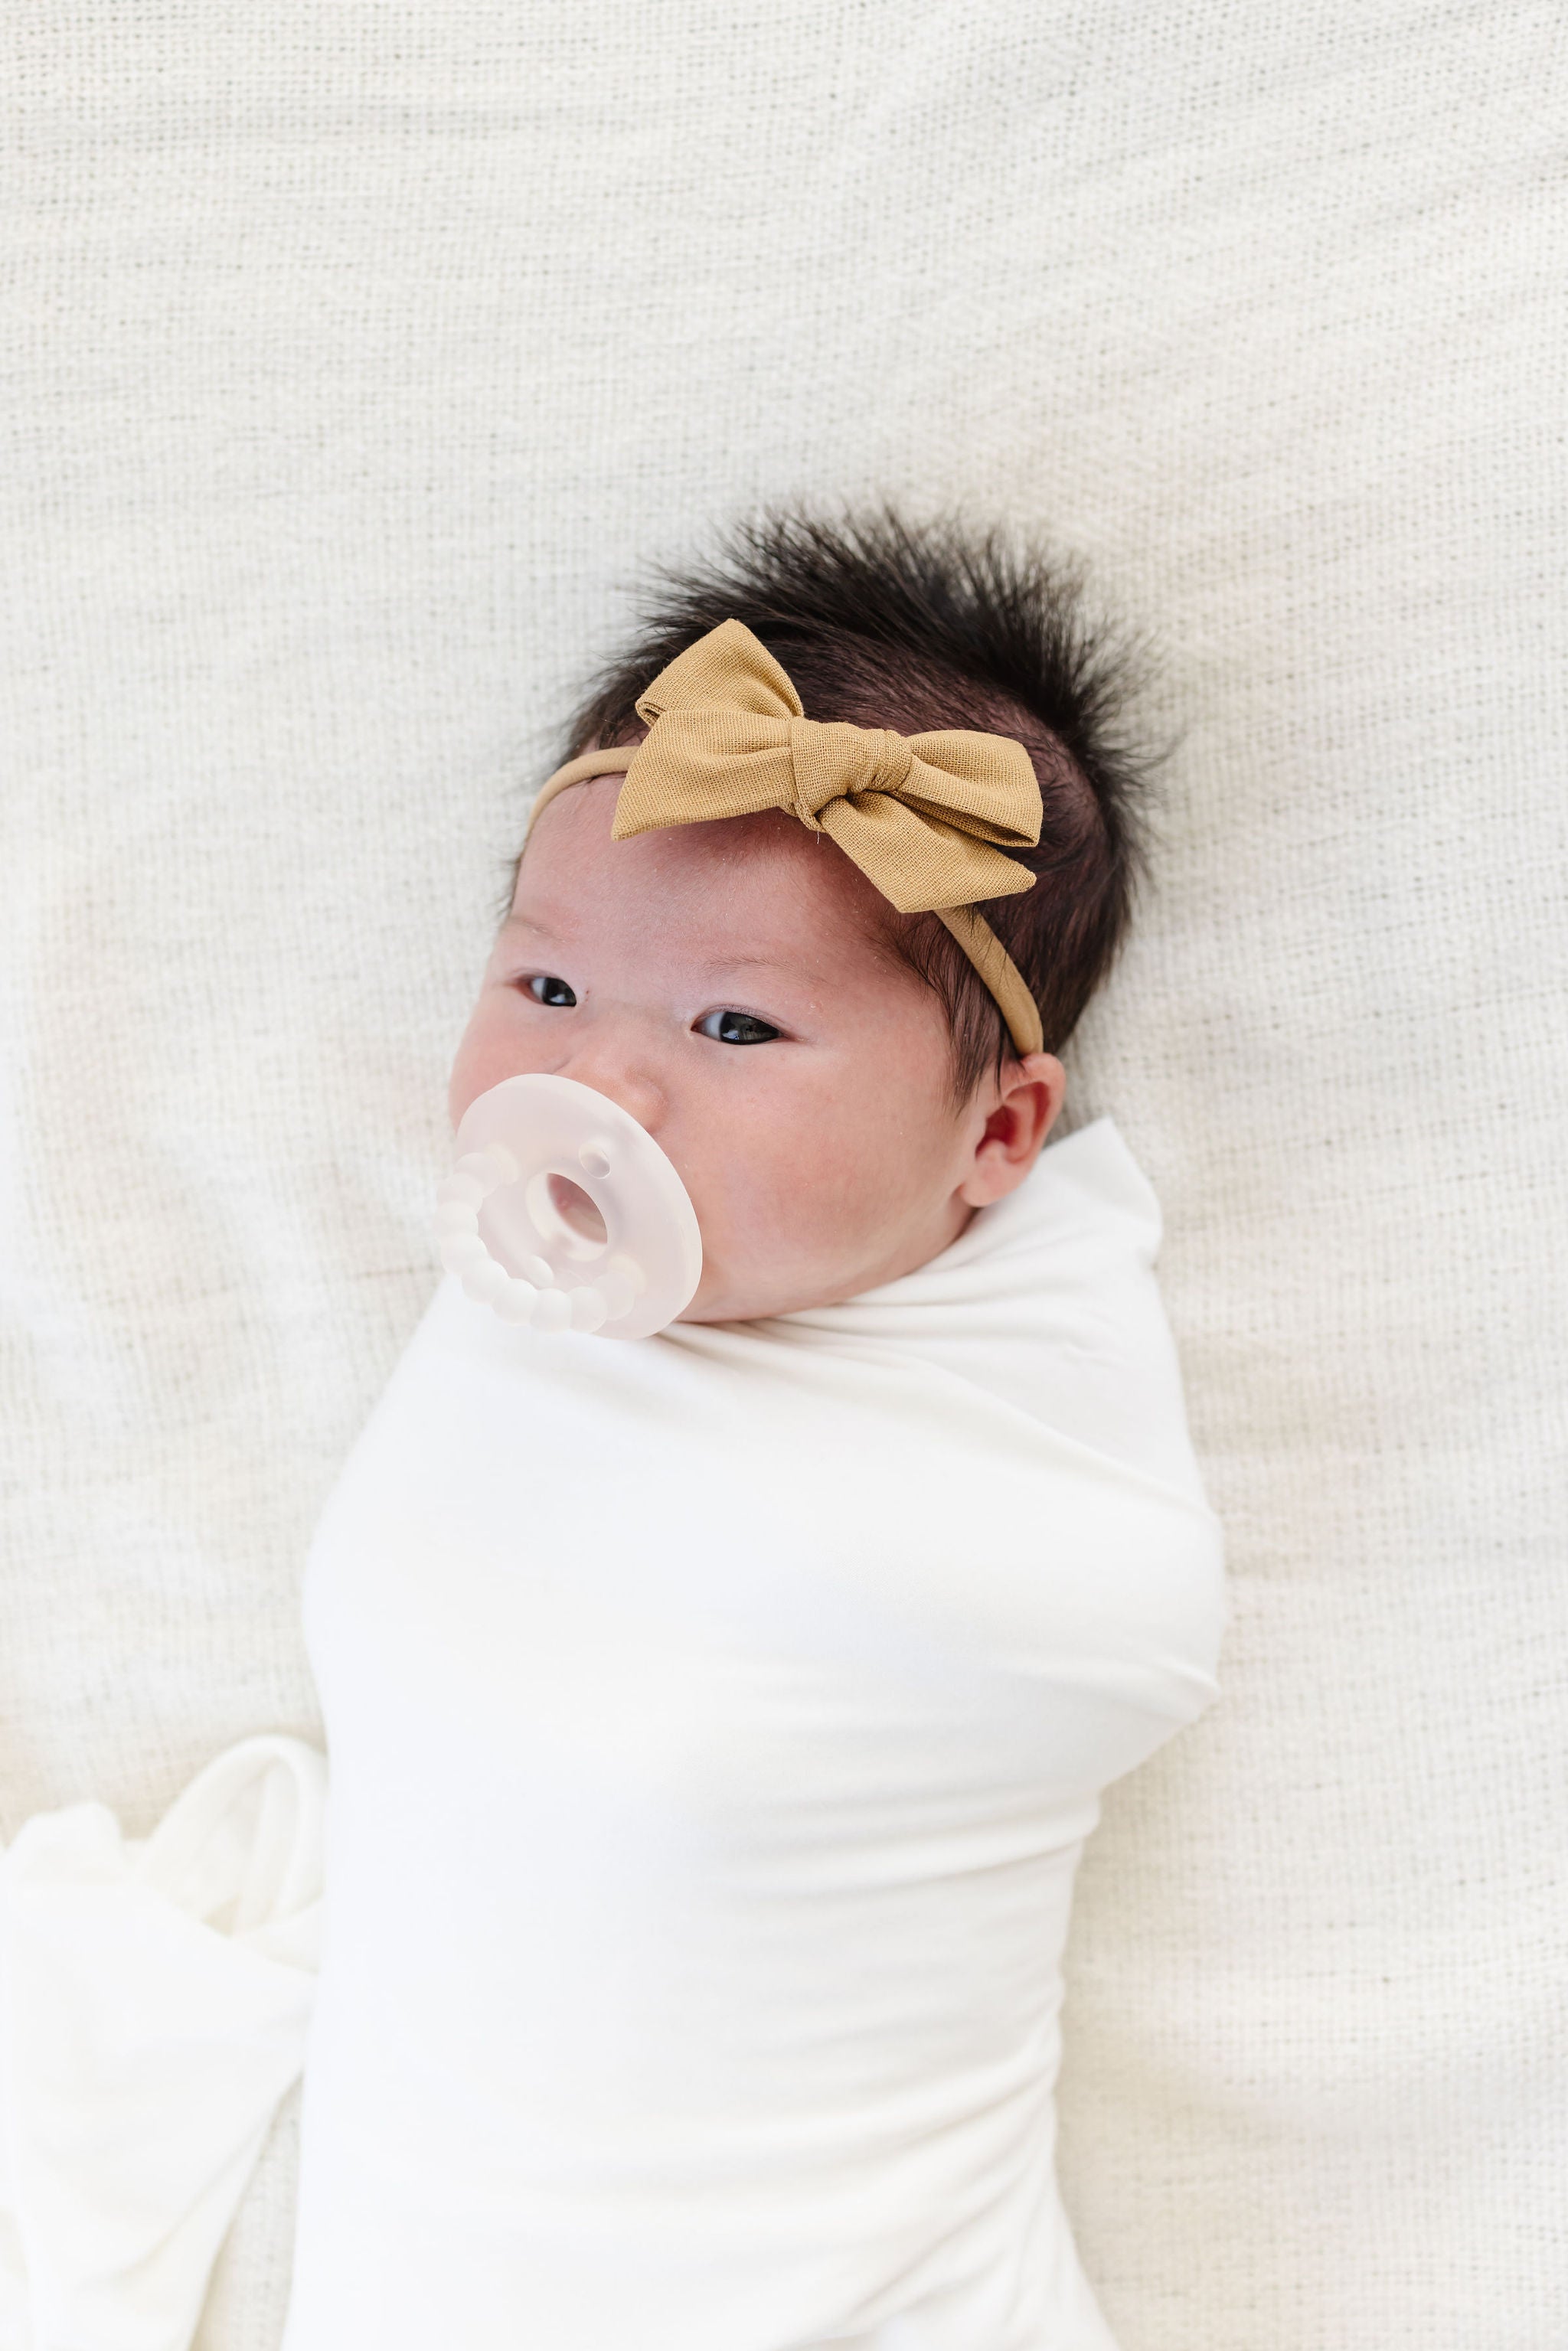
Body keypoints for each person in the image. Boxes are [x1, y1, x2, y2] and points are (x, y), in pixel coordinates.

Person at [282, 508, 1227, 2349]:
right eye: (545, 987)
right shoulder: (521, 1269)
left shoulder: (1014, 1393)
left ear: (997, 1140)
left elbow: (1107, 1632)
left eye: (732, 1023)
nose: (593, 1082)